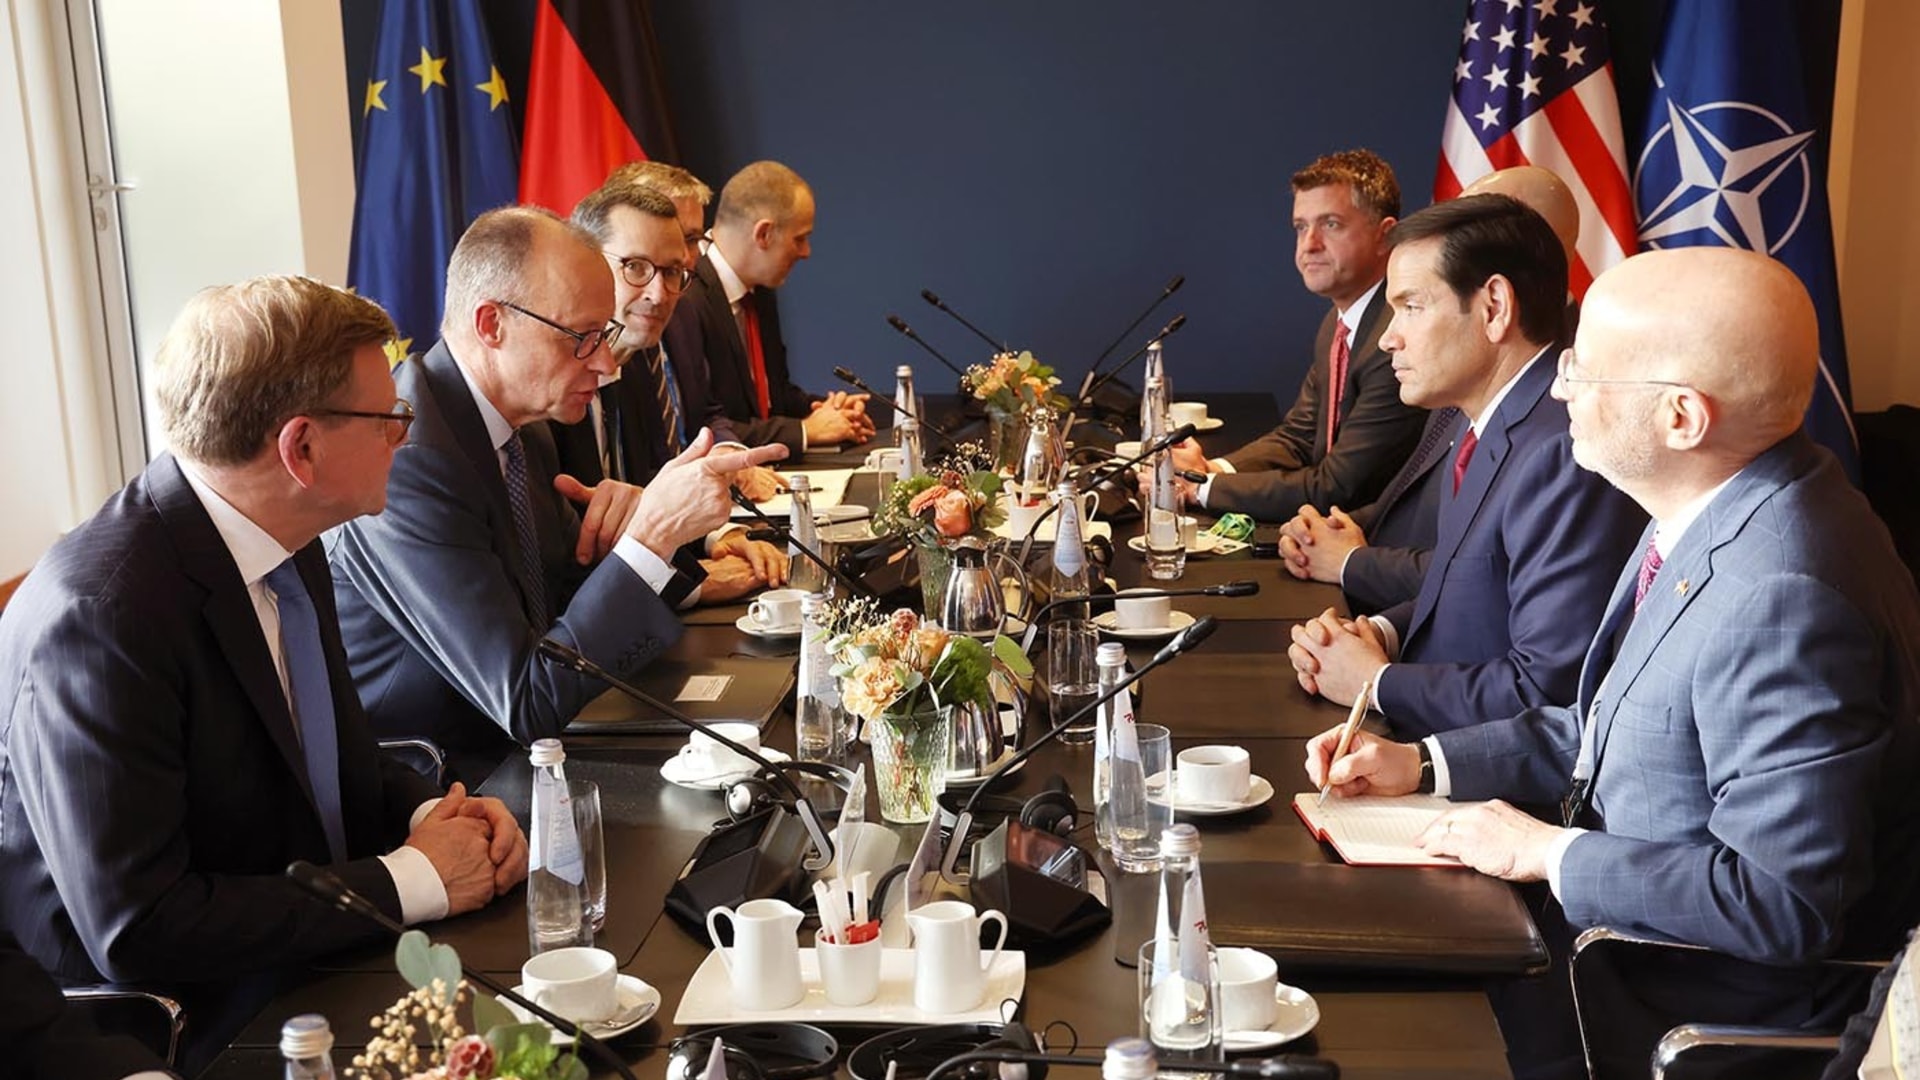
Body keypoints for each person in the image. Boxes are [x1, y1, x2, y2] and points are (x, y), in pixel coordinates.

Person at [1307, 247, 1920, 1078]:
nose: (1559, 389)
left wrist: (1548, 853)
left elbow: (1782, 904)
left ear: (1680, 418)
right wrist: (1420, 762)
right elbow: (1615, 723)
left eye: (1585, 370)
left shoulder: (1785, 593)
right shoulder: (1712, 502)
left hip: (1677, 1005)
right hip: (1607, 945)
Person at [0, 276, 528, 1070]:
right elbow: (138, 928)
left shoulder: (288, 535)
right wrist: (411, 880)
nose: (404, 436)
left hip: (314, 950)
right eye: (389, 418)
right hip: (192, 1023)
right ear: (301, 448)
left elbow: (322, 752)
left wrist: (430, 815)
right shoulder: (102, 614)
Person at [328, 207, 786, 780]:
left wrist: (635, 533)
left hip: (543, 747)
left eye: (606, 335)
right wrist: (651, 535)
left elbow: (569, 595)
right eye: (581, 337)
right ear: (491, 324)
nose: (602, 363)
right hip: (448, 783)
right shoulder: (412, 460)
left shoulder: (523, 427)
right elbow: (525, 701)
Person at [1286, 195, 1644, 736]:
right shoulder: (1483, 419)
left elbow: (1549, 692)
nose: (1387, 338)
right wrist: (1380, 633)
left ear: (1494, 307)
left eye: (1411, 306)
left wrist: (1376, 682)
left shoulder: (1563, 452)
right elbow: (1468, 585)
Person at [1277, 165, 1585, 614]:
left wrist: (1352, 565)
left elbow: (1487, 593)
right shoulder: (1471, 382)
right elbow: (1444, 547)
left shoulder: (1557, 433)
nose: (1389, 338)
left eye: (1413, 307)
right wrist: (1328, 535)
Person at [555, 170, 788, 603]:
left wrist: (714, 537)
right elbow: (570, 561)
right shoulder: (547, 392)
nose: (660, 294)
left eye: (674, 271)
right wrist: (694, 585)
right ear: (584, 263)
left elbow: (645, 493)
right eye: (636, 267)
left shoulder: (634, 357)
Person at [1166, 149, 1428, 520]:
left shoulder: (1395, 339)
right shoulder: (1337, 326)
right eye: (1301, 227)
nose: (1309, 245)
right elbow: (1299, 437)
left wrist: (1200, 488)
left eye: (1331, 224)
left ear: (1385, 236)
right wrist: (1212, 470)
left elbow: (1338, 488)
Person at [662, 160, 875, 456]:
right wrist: (806, 430)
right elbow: (703, 426)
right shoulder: (686, 298)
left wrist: (826, 410)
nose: (806, 252)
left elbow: (774, 396)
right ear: (763, 234)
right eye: (800, 239)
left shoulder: (759, 290)